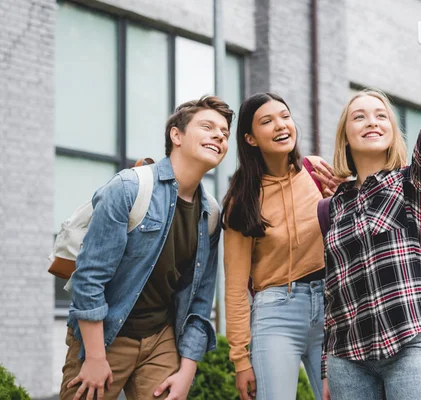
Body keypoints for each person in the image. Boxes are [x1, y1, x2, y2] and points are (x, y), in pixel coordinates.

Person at [321, 26, 421, 400]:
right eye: (359, 117)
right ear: (346, 135)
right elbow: (332, 293)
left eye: (381, 116)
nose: (371, 121)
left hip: (407, 342)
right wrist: (327, 368)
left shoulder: (411, 185)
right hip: (347, 357)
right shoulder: (332, 206)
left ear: (392, 131)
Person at [59, 96, 234, 400]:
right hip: (105, 335)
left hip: (161, 338)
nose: (219, 135)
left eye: (224, 132)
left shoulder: (212, 214)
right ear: (176, 135)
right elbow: (89, 278)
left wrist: (186, 372)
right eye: (207, 126)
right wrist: (96, 358)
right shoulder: (129, 188)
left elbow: (200, 300)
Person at [221, 92, 343, 400]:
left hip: (330, 308)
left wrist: (343, 196)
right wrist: (240, 359)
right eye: (267, 121)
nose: (280, 125)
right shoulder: (242, 200)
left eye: (285, 116)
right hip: (276, 312)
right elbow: (235, 287)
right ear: (250, 139)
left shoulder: (316, 172)